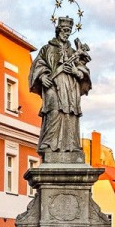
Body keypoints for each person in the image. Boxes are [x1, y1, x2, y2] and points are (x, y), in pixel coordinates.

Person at [29, 16, 92, 155]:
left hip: (70, 88)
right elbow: (38, 65)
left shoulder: (74, 51)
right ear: (58, 30)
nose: (67, 33)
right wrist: (42, 76)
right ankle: (48, 144)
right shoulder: (47, 49)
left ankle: (72, 146)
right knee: (54, 111)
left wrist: (76, 71)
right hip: (53, 86)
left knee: (71, 114)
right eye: (64, 30)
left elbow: (84, 70)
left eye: (69, 30)